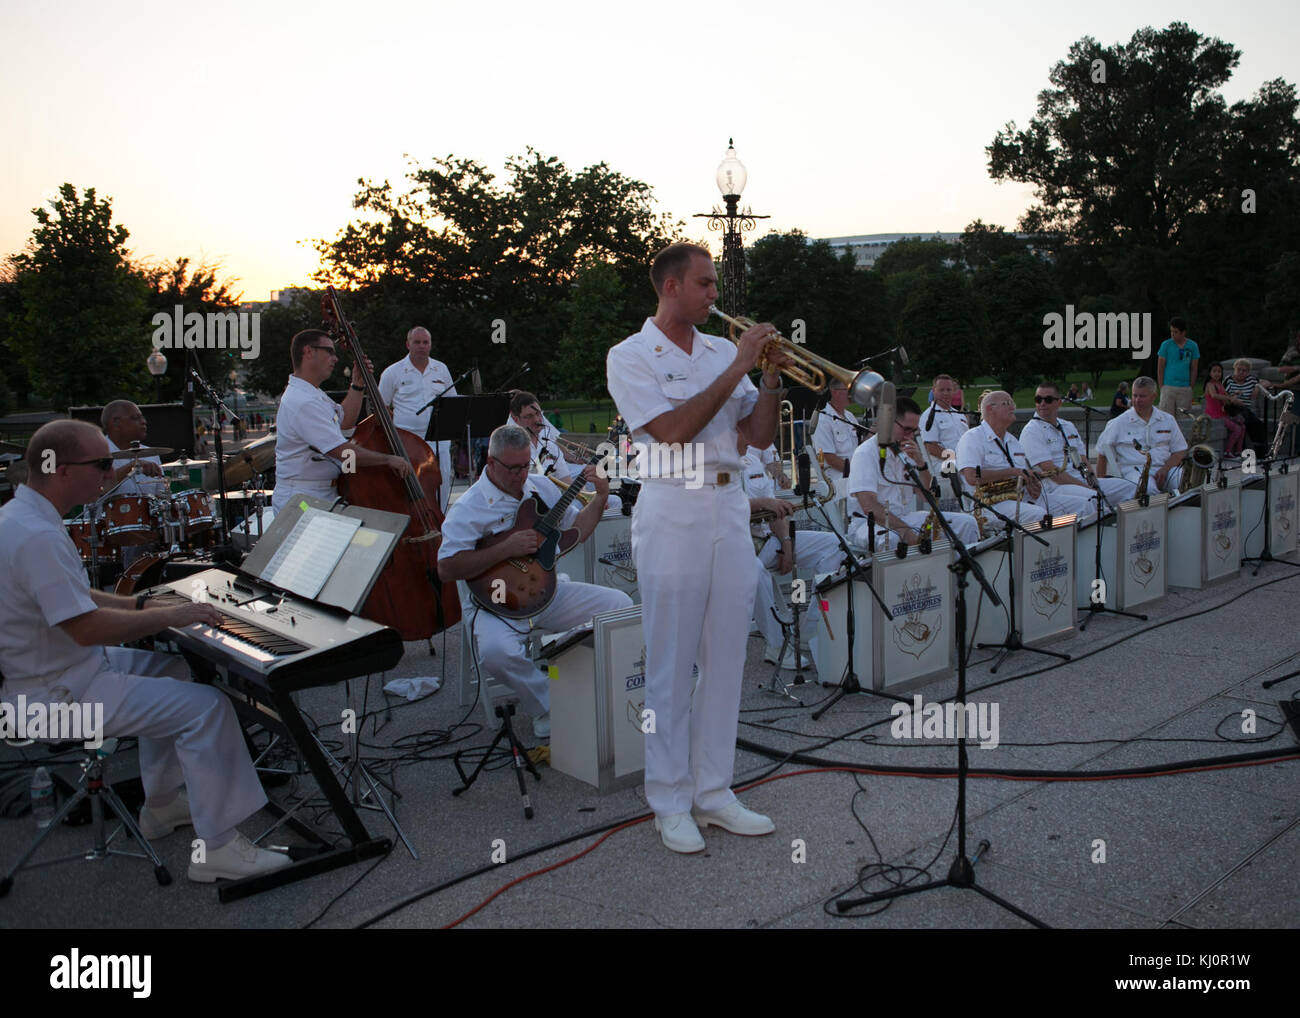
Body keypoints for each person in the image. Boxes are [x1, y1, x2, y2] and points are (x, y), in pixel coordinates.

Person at [0, 420, 290, 882]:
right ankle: (217, 850)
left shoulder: (23, 518)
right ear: (59, 469)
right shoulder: (35, 536)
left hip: (62, 673)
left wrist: (141, 602)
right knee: (209, 708)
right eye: (101, 463)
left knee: (171, 667)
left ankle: (160, 805)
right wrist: (170, 616)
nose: (112, 472)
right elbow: (85, 626)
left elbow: (76, 596)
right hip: (54, 698)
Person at [606, 242, 787, 854]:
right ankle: (669, 799)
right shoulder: (630, 356)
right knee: (670, 661)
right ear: (671, 287)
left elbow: (757, 437)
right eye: (706, 285)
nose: (715, 295)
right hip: (672, 502)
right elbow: (673, 433)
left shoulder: (717, 351)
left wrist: (768, 381)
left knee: (728, 655)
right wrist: (738, 366)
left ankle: (714, 793)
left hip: (730, 503)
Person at [436, 424, 629, 739]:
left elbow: (576, 531)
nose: (521, 474)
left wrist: (601, 497)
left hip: (548, 592)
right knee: (496, 652)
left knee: (619, 607)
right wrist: (504, 549)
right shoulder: (468, 509)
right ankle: (548, 704)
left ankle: (584, 685)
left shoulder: (541, 487)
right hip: (496, 605)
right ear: (491, 463)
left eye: (525, 465)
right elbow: (446, 569)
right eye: (513, 468)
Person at [271, 329, 409, 511]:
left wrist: (357, 384)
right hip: (303, 498)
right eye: (329, 351)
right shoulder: (302, 401)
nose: (335, 358)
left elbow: (344, 424)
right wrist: (387, 460)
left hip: (321, 492)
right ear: (308, 352)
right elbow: (341, 452)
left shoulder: (312, 393)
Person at [741, 439, 842, 669]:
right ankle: (776, 646)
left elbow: (774, 511)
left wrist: (787, 545)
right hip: (732, 550)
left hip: (766, 540)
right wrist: (761, 503)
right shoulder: (710, 464)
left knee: (835, 545)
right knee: (752, 570)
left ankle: (810, 629)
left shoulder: (753, 462)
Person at [848, 397, 979, 550]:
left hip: (905, 517)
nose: (910, 436)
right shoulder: (865, 453)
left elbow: (927, 496)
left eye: (914, 431)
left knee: (967, 523)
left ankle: (958, 570)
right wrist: (904, 530)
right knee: (892, 539)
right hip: (870, 524)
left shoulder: (907, 450)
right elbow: (868, 506)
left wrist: (921, 465)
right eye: (906, 429)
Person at [1019, 382, 1136, 512]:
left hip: (1081, 480)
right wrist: (1087, 488)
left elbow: (1083, 459)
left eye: (1048, 399)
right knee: (1094, 499)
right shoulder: (1031, 431)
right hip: (1056, 486)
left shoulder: (1068, 426)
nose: (1042, 403)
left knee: (1129, 488)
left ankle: (1128, 526)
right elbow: (1050, 470)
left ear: (1059, 402)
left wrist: (1094, 482)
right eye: (1038, 399)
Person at [377, 326, 457, 510]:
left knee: (442, 484)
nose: (422, 346)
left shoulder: (441, 369)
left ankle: (441, 522)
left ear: (430, 345)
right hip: (408, 442)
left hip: (439, 440)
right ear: (408, 344)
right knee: (410, 486)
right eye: (417, 342)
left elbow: (452, 402)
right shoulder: (392, 372)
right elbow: (381, 408)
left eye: (425, 342)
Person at [956, 392, 1050, 527]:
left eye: (1013, 404)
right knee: (1039, 515)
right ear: (990, 409)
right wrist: (1011, 472)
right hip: (988, 505)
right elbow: (971, 478)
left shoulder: (1013, 441)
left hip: (1019, 497)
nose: (1013, 408)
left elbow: (1019, 473)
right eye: (1007, 404)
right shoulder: (972, 438)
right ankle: (1033, 548)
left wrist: (1030, 482)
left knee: (1080, 502)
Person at [1095, 376, 1187, 493]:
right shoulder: (1119, 422)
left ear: (1154, 396)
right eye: (1135, 395)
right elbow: (1102, 454)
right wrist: (1101, 489)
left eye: (1142, 396)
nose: (1137, 400)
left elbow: (1180, 450)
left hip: (1165, 469)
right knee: (1148, 491)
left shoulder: (1167, 420)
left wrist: (1165, 469)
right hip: (1134, 472)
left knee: (1184, 483)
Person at [919, 374, 968, 512]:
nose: (946, 393)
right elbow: (931, 447)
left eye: (949, 389)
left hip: (962, 465)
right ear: (933, 391)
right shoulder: (929, 416)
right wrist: (958, 459)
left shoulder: (960, 415)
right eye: (941, 390)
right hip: (942, 468)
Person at [810, 379, 861, 503]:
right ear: (835, 392)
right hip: (838, 480)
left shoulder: (849, 416)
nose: (852, 395)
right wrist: (857, 473)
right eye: (848, 391)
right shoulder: (823, 419)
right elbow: (829, 458)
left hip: (853, 476)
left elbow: (859, 447)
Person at [1221, 358, 1269, 453]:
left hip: (1245, 410)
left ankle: (1261, 452)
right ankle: (1248, 451)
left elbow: (1267, 382)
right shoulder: (1229, 380)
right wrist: (1234, 399)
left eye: (1244, 370)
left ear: (1248, 372)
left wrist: (1257, 387)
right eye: (1239, 369)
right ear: (1234, 369)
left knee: (1257, 424)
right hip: (1232, 408)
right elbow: (1222, 397)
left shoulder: (1251, 380)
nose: (1241, 372)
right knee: (1249, 421)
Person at [1156, 317, 1200, 414]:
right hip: (1168, 386)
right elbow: (1160, 367)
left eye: (1175, 332)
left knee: (1183, 419)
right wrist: (1162, 387)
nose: (1172, 334)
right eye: (1171, 331)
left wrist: (1190, 387)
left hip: (1185, 387)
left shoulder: (1193, 346)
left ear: (1183, 332)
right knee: (1166, 418)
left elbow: (1194, 367)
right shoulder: (1166, 345)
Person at [1204, 363, 1245, 457]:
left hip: (1223, 414)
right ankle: (1227, 451)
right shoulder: (1210, 384)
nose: (1217, 373)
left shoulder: (1219, 384)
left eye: (1219, 371)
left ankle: (1238, 450)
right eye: (1214, 371)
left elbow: (1227, 397)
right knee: (1237, 429)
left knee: (1242, 426)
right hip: (1214, 415)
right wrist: (1230, 399)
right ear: (1210, 373)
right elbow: (1214, 395)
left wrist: (1235, 395)